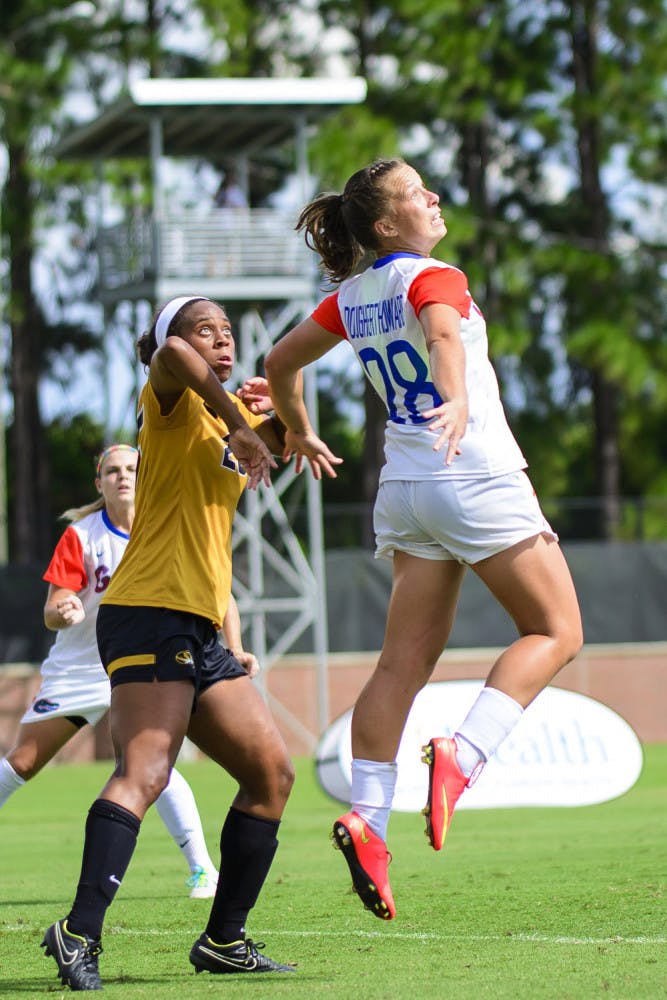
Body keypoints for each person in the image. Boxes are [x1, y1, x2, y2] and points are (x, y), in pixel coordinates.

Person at [264, 158, 583, 921]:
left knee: (399, 663)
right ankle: (461, 755)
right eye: (414, 192)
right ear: (385, 224)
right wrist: (456, 399)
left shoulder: (349, 297)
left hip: (405, 489)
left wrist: (297, 431)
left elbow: (278, 362)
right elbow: (442, 335)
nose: (431, 196)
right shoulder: (433, 275)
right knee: (556, 631)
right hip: (470, 472)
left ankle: (368, 819)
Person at [42, 297, 295, 990]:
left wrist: (279, 400)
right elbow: (173, 357)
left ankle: (224, 940)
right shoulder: (173, 402)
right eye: (205, 330)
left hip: (198, 624)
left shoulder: (225, 416)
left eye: (228, 332)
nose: (221, 340)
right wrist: (239, 418)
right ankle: (77, 933)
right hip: (148, 610)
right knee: (147, 770)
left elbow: (283, 441)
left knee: (271, 777)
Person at [0, 443, 219, 899]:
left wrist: (231, 645)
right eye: (113, 471)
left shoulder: (168, 526)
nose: (123, 477)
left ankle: (203, 869)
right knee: (23, 762)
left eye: (132, 469)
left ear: (147, 476)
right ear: (99, 483)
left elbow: (216, 589)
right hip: (79, 668)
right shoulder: (82, 536)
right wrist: (64, 610)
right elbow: (52, 609)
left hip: (134, 664)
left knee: (152, 761)